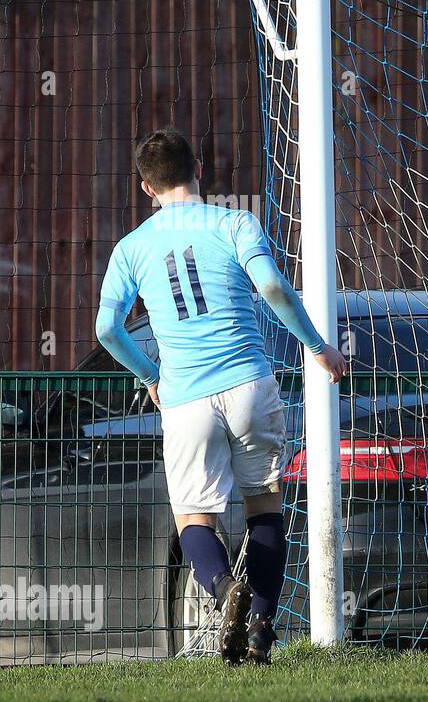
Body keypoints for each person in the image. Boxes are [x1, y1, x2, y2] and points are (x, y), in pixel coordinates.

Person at [96, 128, 348, 665]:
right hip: (249, 386)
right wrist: (318, 347)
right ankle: (259, 630)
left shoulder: (131, 247)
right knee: (263, 507)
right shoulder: (235, 222)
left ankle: (220, 590)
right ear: (200, 167)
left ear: (146, 188)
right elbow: (274, 287)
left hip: (186, 398)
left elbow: (107, 330)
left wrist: (151, 376)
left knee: (194, 519)